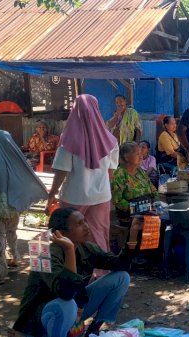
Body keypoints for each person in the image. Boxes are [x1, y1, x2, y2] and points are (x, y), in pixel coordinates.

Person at [12, 207, 133, 337]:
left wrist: (134, 232)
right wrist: (69, 250)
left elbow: (121, 264)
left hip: (73, 310)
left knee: (122, 277)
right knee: (67, 304)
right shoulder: (45, 255)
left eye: (85, 221)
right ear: (61, 233)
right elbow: (66, 293)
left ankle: (94, 330)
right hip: (41, 318)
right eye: (79, 224)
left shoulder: (86, 248)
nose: (86, 227)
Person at [47, 94, 119, 254]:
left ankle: (76, 271)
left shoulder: (68, 141)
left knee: (71, 236)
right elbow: (110, 174)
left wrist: (52, 194)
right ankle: (99, 273)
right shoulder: (111, 141)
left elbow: (61, 171)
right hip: (101, 197)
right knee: (98, 235)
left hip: (73, 197)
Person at [0, 130, 48, 284]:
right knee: (12, 234)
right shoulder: (16, 159)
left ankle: (0, 273)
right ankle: (15, 259)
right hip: (14, 206)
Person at [111, 142, 157, 222]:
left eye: (141, 153)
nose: (141, 156)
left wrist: (156, 203)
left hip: (147, 210)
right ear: (126, 157)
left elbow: (153, 190)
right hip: (130, 215)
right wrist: (141, 209)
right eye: (137, 154)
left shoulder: (140, 171)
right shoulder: (119, 174)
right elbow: (117, 201)